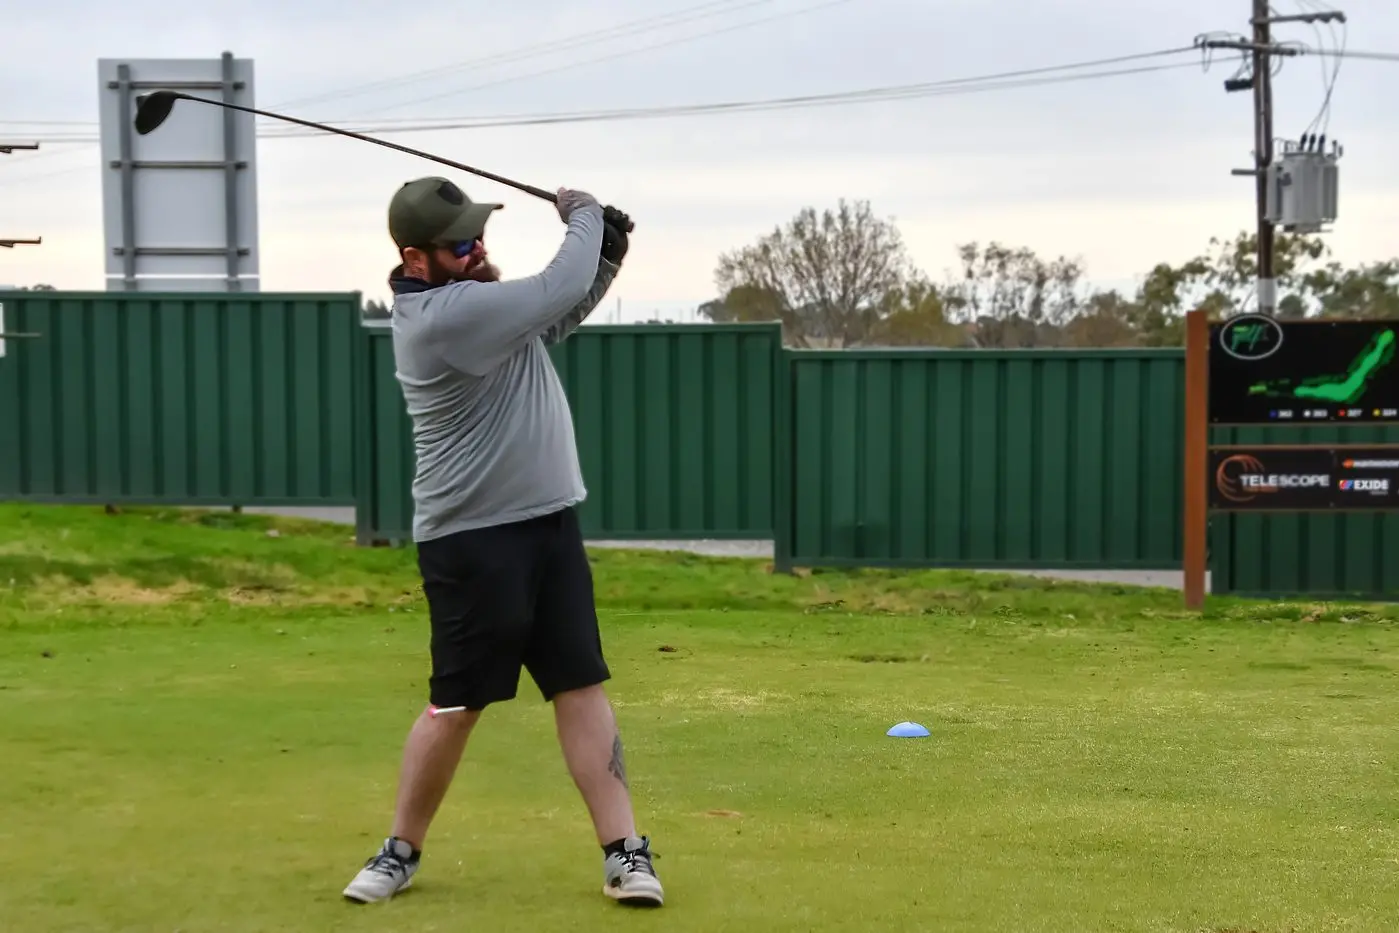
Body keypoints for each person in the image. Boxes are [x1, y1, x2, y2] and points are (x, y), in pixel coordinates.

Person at [341, 176, 663, 908]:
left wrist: (606, 257)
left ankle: (624, 852)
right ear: (415, 259)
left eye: (479, 234)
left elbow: (559, 313)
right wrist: (583, 216)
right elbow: (555, 288)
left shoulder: (476, 302)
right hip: (472, 540)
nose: (477, 248)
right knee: (457, 703)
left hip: (547, 524)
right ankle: (398, 850)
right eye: (461, 244)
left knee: (579, 684)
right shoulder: (444, 317)